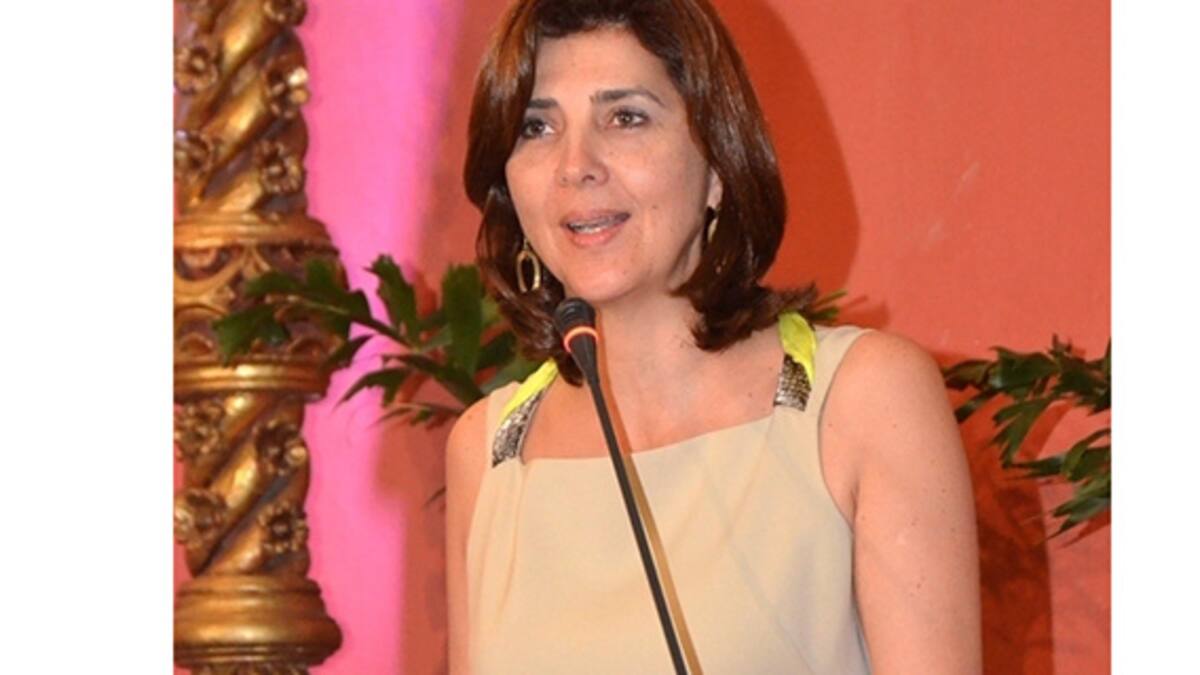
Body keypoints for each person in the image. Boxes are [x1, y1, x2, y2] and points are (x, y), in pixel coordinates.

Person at [445, 1, 980, 672]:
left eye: (626, 117)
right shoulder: (487, 451)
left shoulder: (860, 401)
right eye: (537, 126)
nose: (575, 164)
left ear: (719, 164)